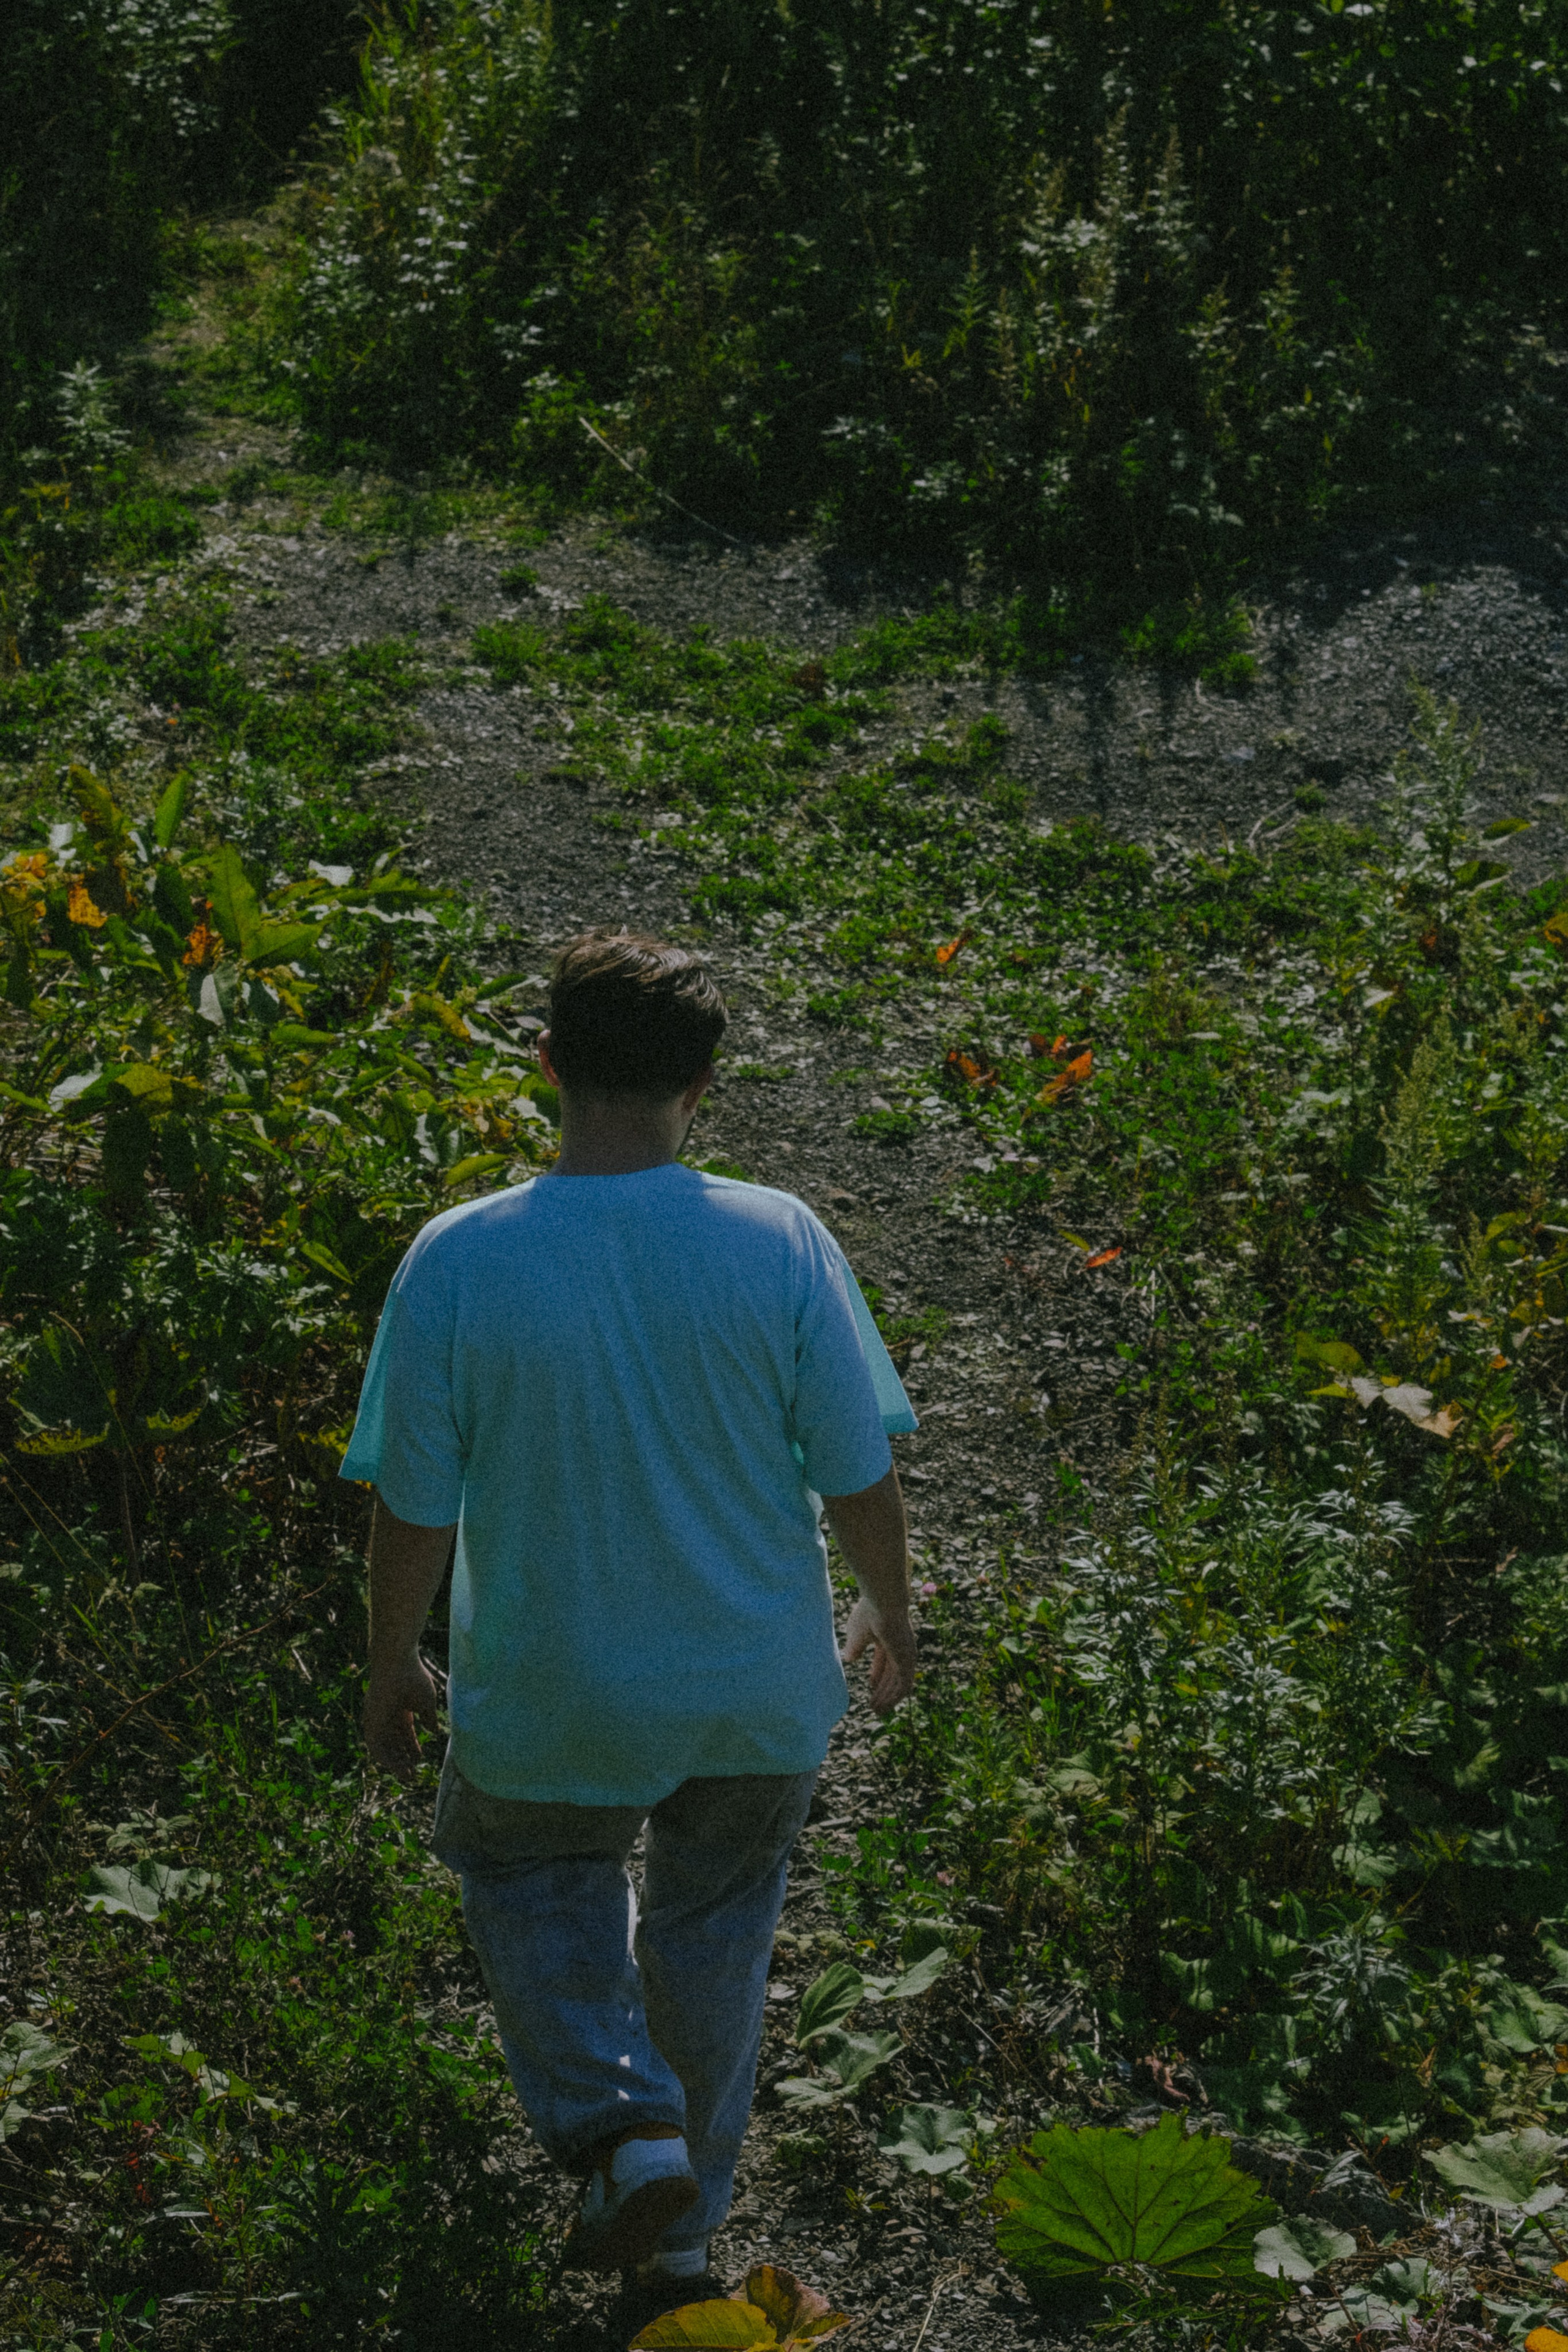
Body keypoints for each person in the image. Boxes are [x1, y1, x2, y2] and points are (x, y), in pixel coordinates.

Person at [344, 929, 918, 2313]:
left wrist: (386, 1662)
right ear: (702, 1086)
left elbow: (414, 1508)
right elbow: (856, 1468)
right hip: (754, 1689)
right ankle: (675, 2252)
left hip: (555, 1691)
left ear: (544, 1066)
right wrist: (892, 1612)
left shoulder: (461, 1259)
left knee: (532, 1884)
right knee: (714, 1941)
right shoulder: (777, 1236)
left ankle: (621, 2130)